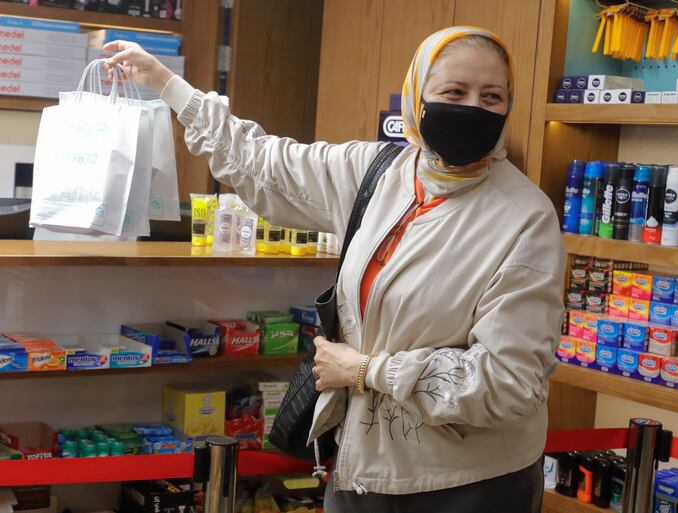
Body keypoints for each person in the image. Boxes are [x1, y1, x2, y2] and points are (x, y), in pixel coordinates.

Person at [105, 25, 566, 513]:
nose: (472, 108)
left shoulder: (525, 218)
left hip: (468, 485)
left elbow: (510, 379)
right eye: (454, 91)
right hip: (360, 468)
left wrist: (368, 369)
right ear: (416, 96)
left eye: (491, 96)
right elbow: (262, 162)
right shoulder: (378, 172)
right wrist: (164, 82)